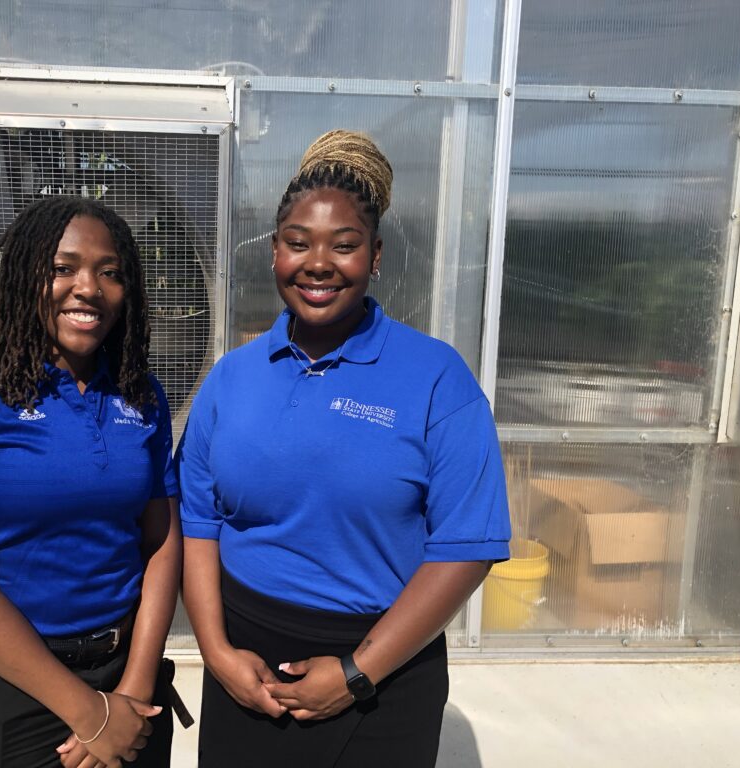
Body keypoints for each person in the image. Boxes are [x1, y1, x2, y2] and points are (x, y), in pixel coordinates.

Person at [178, 130, 511, 767]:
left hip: (382, 674)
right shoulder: (232, 377)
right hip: (246, 669)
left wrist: (358, 673)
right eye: (298, 243)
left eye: (345, 245)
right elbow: (198, 520)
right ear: (275, 251)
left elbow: (467, 545)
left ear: (376, 255)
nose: (318, 263)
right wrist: (215, 651)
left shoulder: (436, 378)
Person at [0, 196, 181, 768]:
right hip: (7, 689)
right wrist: (88, 714)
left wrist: (131, 691)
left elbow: (161, 545)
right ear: (23, 277)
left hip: (125, 680)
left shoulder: (141, 394)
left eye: (110, 273)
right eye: (63, 268)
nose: (88, 287)